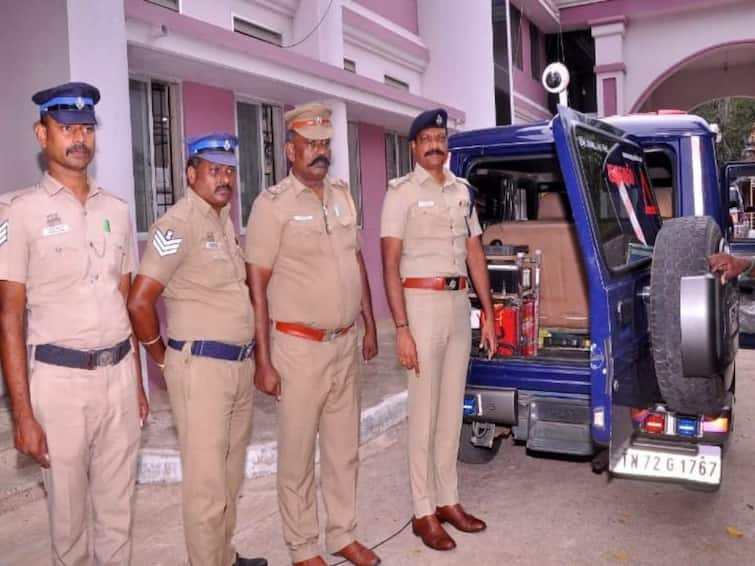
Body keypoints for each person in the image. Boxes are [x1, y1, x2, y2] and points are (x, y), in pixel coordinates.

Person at [0, 81, 148, 565]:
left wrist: (139, 384)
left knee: (118, 516)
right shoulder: (17, 212)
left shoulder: (118, 210)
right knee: (69, 525)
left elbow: (126, 302)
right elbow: (9, 315)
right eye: (66, 128)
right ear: (42, 135)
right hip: (59, 384)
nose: (79, 138)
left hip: (119, 378)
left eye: (86, 128)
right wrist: (22, 413)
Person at [245, 103, 380, 566]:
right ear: (290, 149)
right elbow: (256, 286)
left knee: (344, 449)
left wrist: (369, 323)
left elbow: (356, 259)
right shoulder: (271, 206)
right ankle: (303, 547)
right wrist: (263, 360)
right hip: (298, 347)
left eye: (325, 144)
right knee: (299, 454)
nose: (319, 152)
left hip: (345, 342)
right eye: (310, 144)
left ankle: (342, 533)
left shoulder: (342, 195)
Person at [127, 133, 267, 566]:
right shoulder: (177, 224)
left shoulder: (221, 220)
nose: (224, 178)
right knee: (206, 487)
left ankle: (222, 556)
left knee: (227, 476)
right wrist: (160, 356)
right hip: (202, 368)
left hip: (236, 369)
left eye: (229, 171)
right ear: (191, 174)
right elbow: (138, 300)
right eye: (213, 170)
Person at [380, 108, 497, 551]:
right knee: (424, 415)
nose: (435, 144)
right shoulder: (400, 194)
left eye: (441, 137)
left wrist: (485, 310)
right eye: (427, 137)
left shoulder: (462, 192)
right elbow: (389, 267)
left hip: (456, 303)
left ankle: (449, 500)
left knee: (452, 411)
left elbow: (474, 253)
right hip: (421, 304)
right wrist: (402, 328)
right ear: (414, 147)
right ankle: (423, 510)